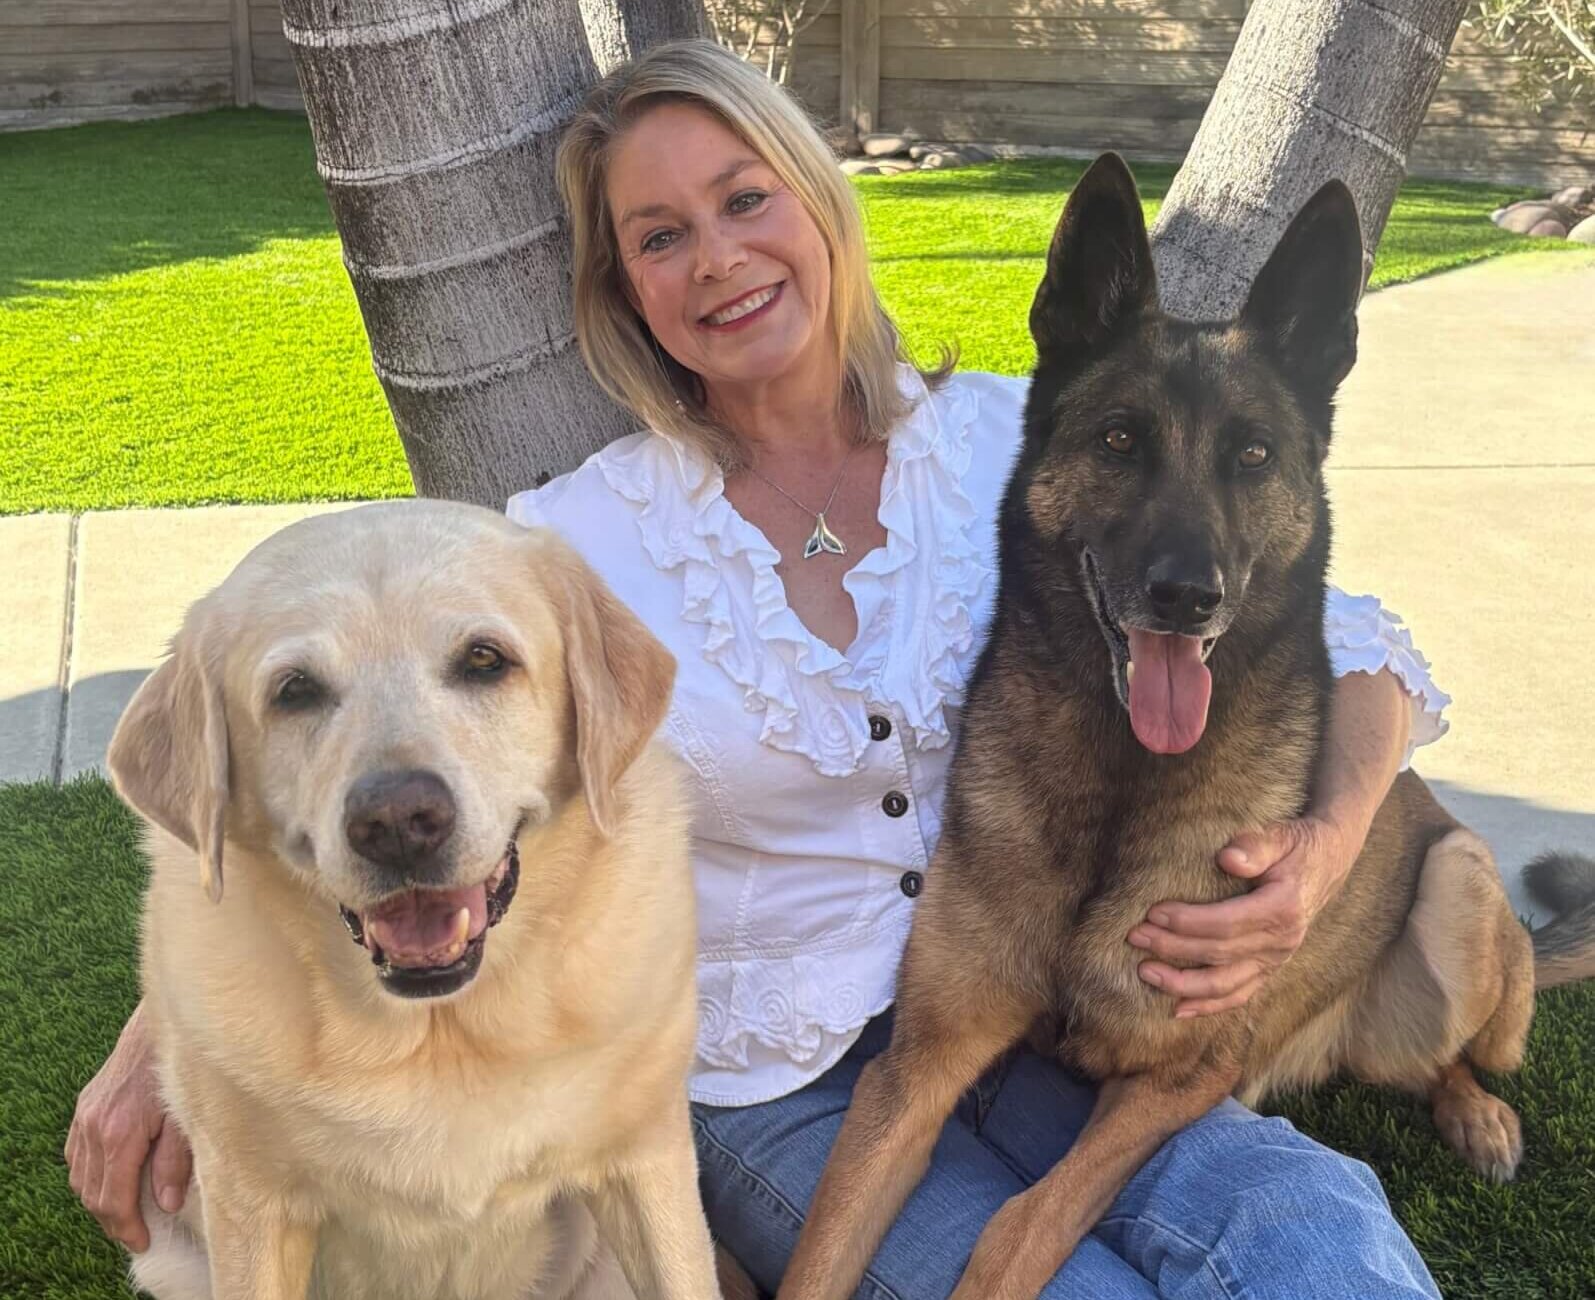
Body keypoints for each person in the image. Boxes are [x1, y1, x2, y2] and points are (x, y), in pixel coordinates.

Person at [69, 39, 1452, 1299]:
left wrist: (1329, 851)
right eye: (658, 237)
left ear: (819, 207)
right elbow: (347, 761)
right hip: (770, 1082)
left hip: (1042, 1022)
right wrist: (163, 1041)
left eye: (746, 200)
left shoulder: (1014, 442)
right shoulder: (575, 544)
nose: (717, 259)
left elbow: (1361, 637)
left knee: (1312, 1227)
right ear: (625, 290)